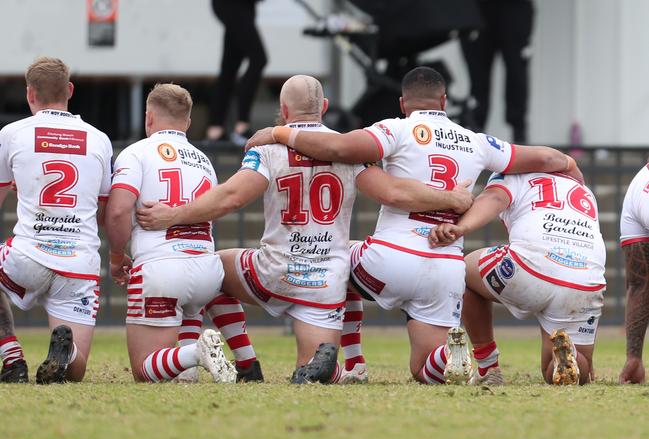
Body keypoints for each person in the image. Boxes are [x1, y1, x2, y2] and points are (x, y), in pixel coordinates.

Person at [244, 66, 582, 385]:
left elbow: (338, 147)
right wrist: (569, 164)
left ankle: (355, 363)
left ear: (403, 103)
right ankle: (450, 356)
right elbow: (545, 158)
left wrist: (277, 132)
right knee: (424, 368)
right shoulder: (477, 141)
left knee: (334, 260)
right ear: (445, 102)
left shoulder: (396, 128)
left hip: (390, 258)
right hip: (446, 266)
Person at [136, 74, 474, 384]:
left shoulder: (268, 147)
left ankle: (245, 362)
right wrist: (453, 198)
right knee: (310, 368)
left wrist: (172, 215)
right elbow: (394, 193)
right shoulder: (350, 150)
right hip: (324, 283)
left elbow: (232, 198)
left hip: (273, 272)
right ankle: (345, 368)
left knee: (211, 270)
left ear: (283, 110)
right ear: (324, 107)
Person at [107, 83, 263, 383]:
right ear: (188, 123)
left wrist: (116, 256)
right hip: (207, 272)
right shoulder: (203, 160)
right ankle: (193, 366)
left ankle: (194, 354)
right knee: (191, 302)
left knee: (144, 369)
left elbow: (117, 210)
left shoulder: (136, 152)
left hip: (160, 269)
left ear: (148, 117)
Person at [429, 167, 605, 385]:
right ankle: (574, 359)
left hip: (531, 265)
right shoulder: (583, 191)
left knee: (461, 271)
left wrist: (460, 227)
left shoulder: (512, 174)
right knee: (558, 370)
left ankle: (488, 366)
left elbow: (494, 199)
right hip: (585, 281)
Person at [0, 57, 112, 384]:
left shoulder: (12, 133)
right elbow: (104, 214)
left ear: (29, 94)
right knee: (75, 371)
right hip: (78, 265)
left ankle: (11, 358)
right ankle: (67, 352)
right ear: (70, 90)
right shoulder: (99, 139)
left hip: (28, 256)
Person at [460, 0, 535, 143]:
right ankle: (475, 130)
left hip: (515, 9)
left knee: (517, 71)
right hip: (477, 9)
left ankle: (519, 131)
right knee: (477, 77)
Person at [206, 0, 267, 145]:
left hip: (241, 6)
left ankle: (215, 128)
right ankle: (241, 125)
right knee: (258, 59)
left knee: (230, 66)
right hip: (232, 5)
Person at [618, 163, 649, 384]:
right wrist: (634, 357)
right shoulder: (643, 191)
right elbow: (640, 284)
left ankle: (633, 360)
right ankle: (633, 362)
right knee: (640, 281)